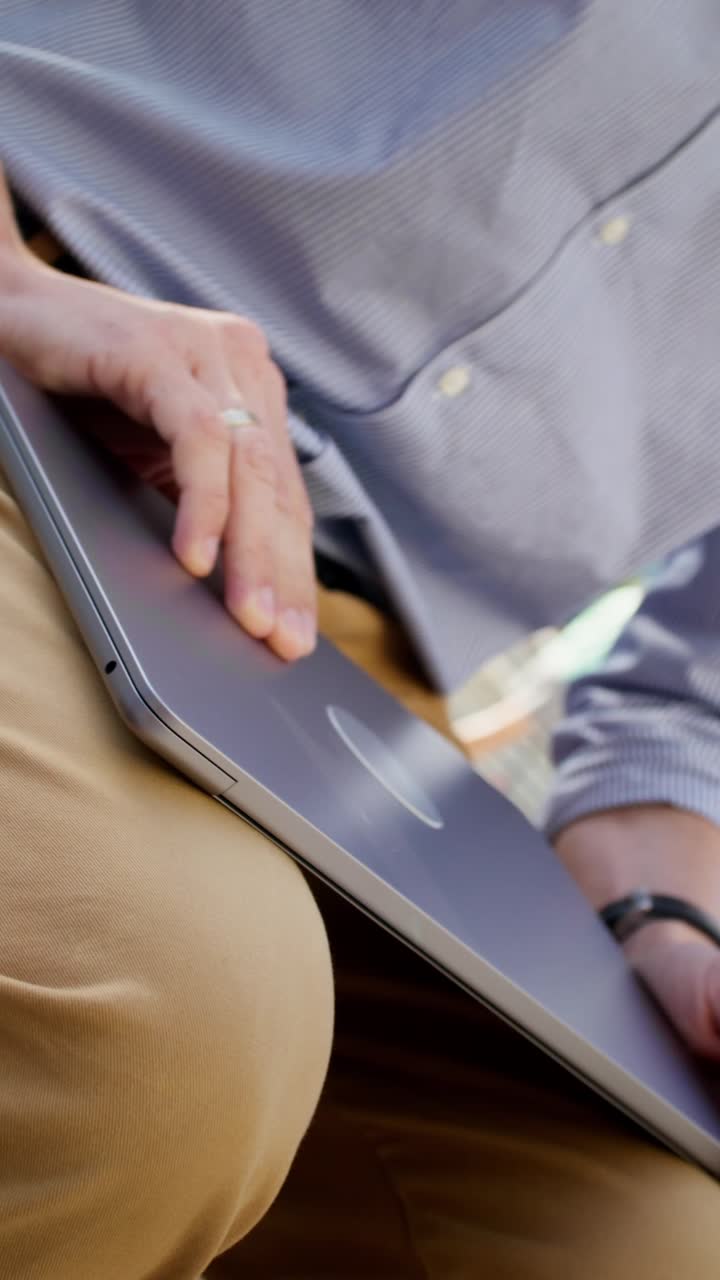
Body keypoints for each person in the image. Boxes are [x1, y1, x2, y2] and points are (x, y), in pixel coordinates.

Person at [0, 3, 719, 1276]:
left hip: (346, 673)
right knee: (167, 1029)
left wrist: (658, 877)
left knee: (647, 1245)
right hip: (49, 352)